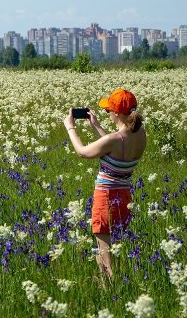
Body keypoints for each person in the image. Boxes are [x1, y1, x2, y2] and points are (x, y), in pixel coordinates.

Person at [63, 88, 146, 279]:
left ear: (116, 114)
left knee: (105, 252)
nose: (107, 113)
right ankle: (105, 286)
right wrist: (96, 126)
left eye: (109, 110)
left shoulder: (114, 140)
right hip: (125, 197)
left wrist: (70, 127)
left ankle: (112, 290)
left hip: (106, 198)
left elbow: (83, 152)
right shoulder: (140, 135)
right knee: (114, 247)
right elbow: (114, 146)